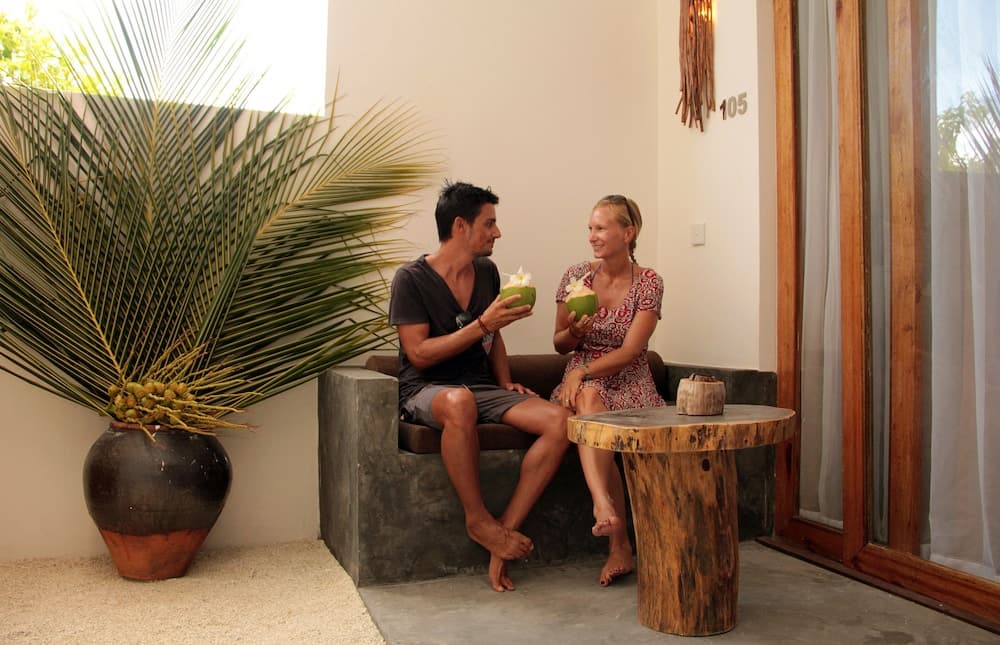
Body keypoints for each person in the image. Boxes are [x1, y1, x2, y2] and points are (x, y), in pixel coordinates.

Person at [389, 180, 571, 592]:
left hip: (481, 387)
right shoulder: (410, 279)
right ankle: (477, 518)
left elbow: (494, 337)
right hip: (427, 389)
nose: (497, 232)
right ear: (460, 226)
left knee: (561, 422)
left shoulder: (487, 272)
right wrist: (482, 324)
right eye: (489, 223)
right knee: (459, 403)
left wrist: (505, 381)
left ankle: (501, 533)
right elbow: (418, 354)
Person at [550, 194, 666, 587]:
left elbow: (632, 350)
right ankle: (609, 518)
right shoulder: (576, 278)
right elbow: (559, 344)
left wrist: (582, 371)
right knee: (589, 399)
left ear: (627, 233)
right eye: (590, 228)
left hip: (629, 378)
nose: (592, 236)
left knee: (590, 404)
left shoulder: (648, 282)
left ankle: (613, 529)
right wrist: (574, 333)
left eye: (601, 228)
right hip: (583, 380)